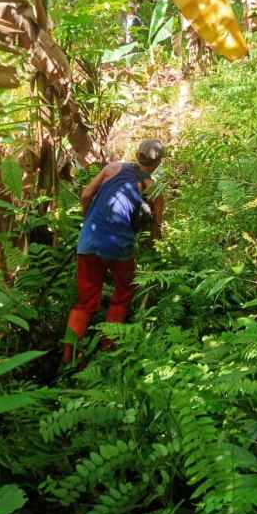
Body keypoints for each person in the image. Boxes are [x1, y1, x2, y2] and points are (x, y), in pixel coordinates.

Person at [62, 139, 165, 364]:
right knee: (123, 293)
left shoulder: (111, 168)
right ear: (157, 163)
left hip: (88, 241)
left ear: (137, 154)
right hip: (120, 246)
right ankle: (109, 347)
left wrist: (88, 219)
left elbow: (86, 195)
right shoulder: (151, 185)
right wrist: (155, 243)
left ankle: (68, 357)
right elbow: (157, 219)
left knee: (85, 302)